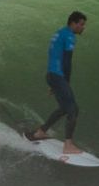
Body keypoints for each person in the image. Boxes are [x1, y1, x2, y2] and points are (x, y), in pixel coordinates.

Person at [26, 11, 87, 154]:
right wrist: (65, 82)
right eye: (81, 24)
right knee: (73, 108)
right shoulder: (70, 36)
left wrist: (55, 84)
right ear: (73, 23)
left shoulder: (59, 33)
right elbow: (67, 61)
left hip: (52, 75)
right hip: (58, 75)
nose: (83, 27)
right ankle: (68, 145)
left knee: (65, 108)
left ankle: (40, 132)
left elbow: (53, 55)